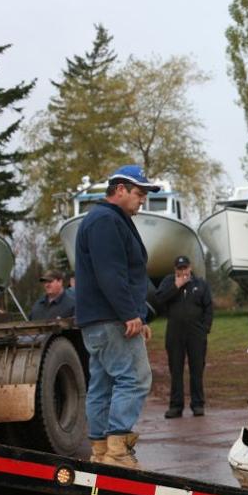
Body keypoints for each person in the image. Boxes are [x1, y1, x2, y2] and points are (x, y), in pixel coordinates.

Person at [74, 165, 158, 468]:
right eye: (139, 193)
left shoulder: (103, 219)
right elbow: (111, 273)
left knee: (103, 384)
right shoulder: (106, 220)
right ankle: (117, 452)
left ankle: (100, 450)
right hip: (112, 319)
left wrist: (139, 315)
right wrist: (130, 315)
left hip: (98, 319)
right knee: (134, 378)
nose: (142, 200)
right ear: (120, 189)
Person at [156, 255, 213, 418]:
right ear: (175, 270)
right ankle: (176, 406)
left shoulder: (200, 284)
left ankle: (197, 404)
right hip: (175, 332)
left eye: (185, 268)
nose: (183, 271)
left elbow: (208, 307)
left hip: (196, 333)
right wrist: (176, 286)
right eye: (179, 269)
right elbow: (159, 300)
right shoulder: (168, 282)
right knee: (175, 369)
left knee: (197, 369)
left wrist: (205, 329)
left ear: (190, 267)